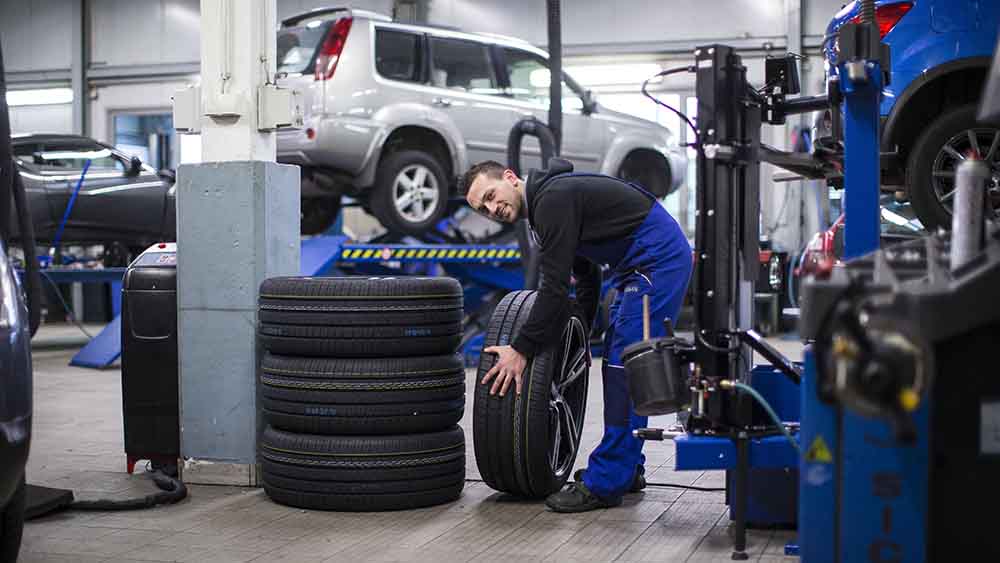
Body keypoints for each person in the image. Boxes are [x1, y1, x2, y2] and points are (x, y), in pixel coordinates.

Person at [461, 158, 692, 512]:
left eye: (491, 195)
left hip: (656, 260)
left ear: (510, 177)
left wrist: (521, 350)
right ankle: (628, 467)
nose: (493, 209)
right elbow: (586, 277)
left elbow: (552, 291)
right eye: (483, 208)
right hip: (635, 264)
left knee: (626, 369)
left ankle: (606, 483)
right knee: (618, 363)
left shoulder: (552, 200)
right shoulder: (547, 205)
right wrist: (580, 338)